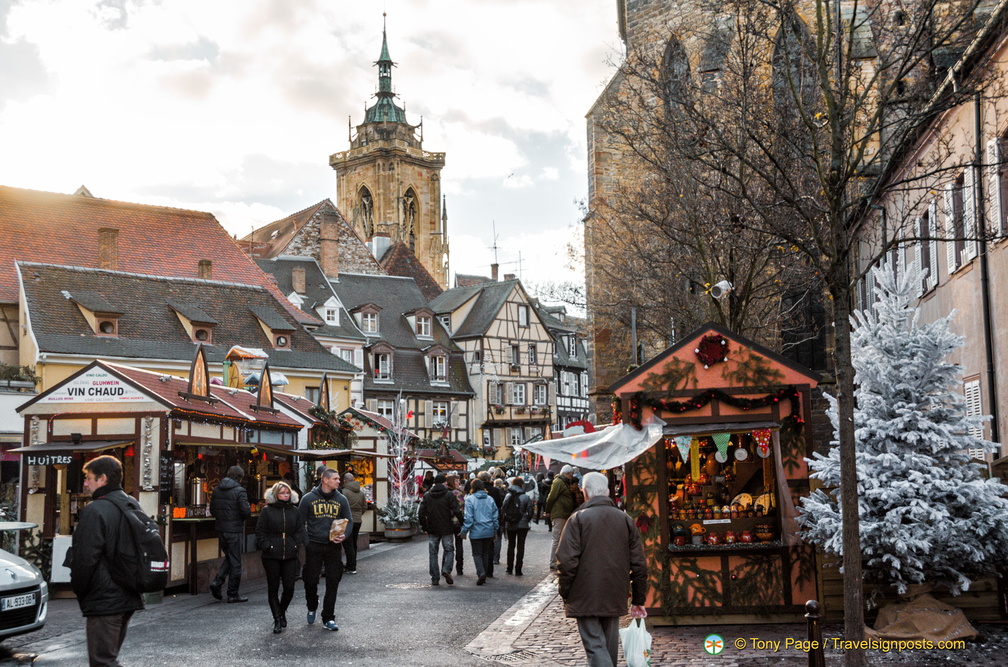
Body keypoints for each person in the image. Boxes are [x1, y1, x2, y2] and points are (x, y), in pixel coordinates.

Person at [557, 471, 648, 667]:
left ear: (585, 492)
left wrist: (565, 591)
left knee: (596, 646)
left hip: (584, 592)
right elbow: (639, 563)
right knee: (608, 645)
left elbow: (566, 561)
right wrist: (638, 598)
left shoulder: (578, 519)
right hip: (615, 589)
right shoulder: (624, 519)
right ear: (607, 492)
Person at [71, 455, 145, 667]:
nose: (85, 483)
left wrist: (80, 590)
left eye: (88, 477)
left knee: (103, 661)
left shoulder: (95, 510)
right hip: (128, 593)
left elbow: (85, 559)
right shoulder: (131, 503)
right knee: (107, 658)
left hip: (104, 597)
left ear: (102, 479)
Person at [299, 468, 351, 631]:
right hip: (314, 545)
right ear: (325, 480)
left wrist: (344, 536)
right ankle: (312, 605)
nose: (338, 481)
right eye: (335, 478)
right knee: (311, 580)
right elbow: (300, 523)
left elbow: (348, 520)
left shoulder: (341, 499)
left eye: (338, 478)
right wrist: (306, 541)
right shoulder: (308, 499)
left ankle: (328, 617)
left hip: (333, 545)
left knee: (333, 580)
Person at [256, 481, 305, 634]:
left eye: (287, 493)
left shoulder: (295, 511)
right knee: (273, 588)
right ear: (275, 495)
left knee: (289, 588)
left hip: (290, 553)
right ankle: (277, 619)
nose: (285, 495)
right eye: (282, 493)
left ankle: (281, 611)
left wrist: (296, 544)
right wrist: (267, 546)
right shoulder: (267, 511)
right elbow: (260, 532)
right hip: (271, 555)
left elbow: (299, 530)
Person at [209, 465, 251, 602]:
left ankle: (217, 582)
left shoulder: (216, 489)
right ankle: (232, 594)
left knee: (230, 557)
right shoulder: (240, 491)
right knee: (236, 563)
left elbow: (213, 510)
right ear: (240, 477)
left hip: (220, 529)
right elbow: (246, 512)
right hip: (234, 530)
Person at [417, 473, 462, 586]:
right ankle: (446, 569)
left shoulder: (427, 495)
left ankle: (435, 578)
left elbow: (421, 513)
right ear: (444, 483)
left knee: (433, 553)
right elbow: (456, 510)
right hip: (447, 527)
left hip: (432, 528)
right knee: (449, 550)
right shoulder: (449, 495)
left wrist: (424, 526)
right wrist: (463, 521)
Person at [460, 479, 498, 585]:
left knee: (477, 554)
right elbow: (495, 516)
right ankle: (484, 573)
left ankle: (481, 572)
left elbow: (469, 518)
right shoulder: (490, 499)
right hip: (489, 529)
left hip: (476, 531)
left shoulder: (470, 499)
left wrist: (464, 531)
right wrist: (495, 530)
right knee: (485, 553)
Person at [544, 465, 578, 570]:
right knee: (557, 538)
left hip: (563, 513)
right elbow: (551, 497)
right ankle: (553, 562)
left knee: (560, 538)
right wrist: (548, 510)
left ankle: (558, 561)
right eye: (571, 474)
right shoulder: (559, 482)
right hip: (559, 513)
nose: (572, 476)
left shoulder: (563, 482)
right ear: (568, 474)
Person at [503, 476, 533, 576]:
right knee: (521, 546)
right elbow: (530, 511)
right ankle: (518, 569)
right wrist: (526, 520)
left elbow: (503, 509)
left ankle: (509, 567)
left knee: (511, 545)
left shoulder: (508, 495)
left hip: (511, 523)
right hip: (523, 524)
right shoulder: (525, 497)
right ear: (522, 485)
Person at [340, 472, 366, 574]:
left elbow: (341, 507)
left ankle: (351, 566)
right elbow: (364, 507)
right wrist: (359, 514)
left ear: (344, 481)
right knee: (354, 543)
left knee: (348, 544)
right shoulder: (361, 492)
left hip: (347, 521)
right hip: (358, 520)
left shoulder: (344, 492)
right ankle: (353, 564)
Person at [446, 471, 466, 576]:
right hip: (457, 522)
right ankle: (459, 568)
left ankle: (446, 567)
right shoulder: (457, 493)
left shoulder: (446, 493)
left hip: (448, 522)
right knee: (459, 545)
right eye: (457, 481)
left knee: (448, 546)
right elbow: (462, 508)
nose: (459, 483)